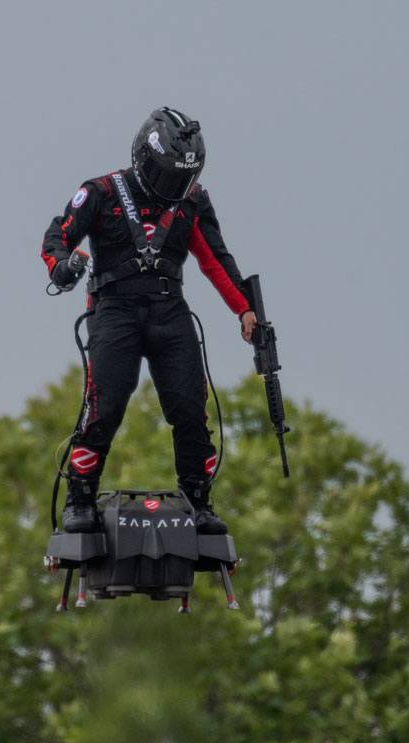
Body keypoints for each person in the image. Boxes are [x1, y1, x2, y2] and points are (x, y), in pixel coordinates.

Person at [41, 107, 258, 535]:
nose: (173, 188)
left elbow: (216, 259)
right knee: (106, 405)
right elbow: (56, 238)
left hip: (168, 310)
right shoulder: (100, 191)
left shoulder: (192, 201)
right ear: (144, 157)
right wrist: (63, 266)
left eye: (183, 179)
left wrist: (244, 309)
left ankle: (199, 499)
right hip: (114, 310)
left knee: (191, 408)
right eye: (166, 177)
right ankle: (80, 497)